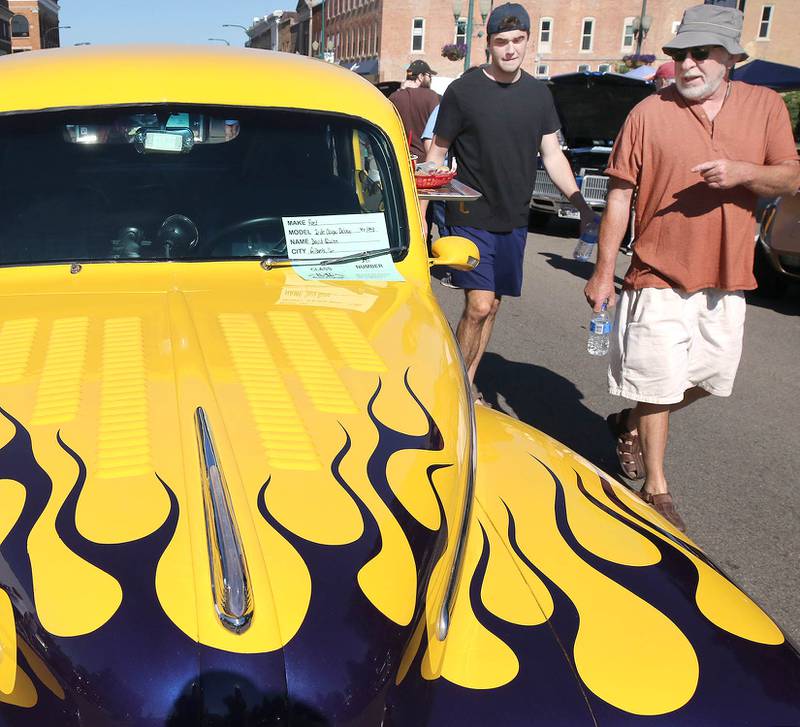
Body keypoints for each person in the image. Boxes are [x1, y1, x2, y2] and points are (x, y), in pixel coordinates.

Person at [584, 4, 800, 532]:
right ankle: (657, 488)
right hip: (657, 272)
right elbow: (619, 197)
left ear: (732, 59)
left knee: (710, 378)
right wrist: (602, 268)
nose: (689, 64)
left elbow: (790, 178)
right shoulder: (648, 114)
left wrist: (743, 172)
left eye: (701, 54)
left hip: (727, 277)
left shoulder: (764, 106)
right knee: (657, 382)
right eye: (681, 54)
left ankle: (629, 422)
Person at [422, 3, 594, 399]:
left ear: (528, 42)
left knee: (493, 306)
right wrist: (422, 214)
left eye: (518, 41)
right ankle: (456, 391)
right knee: (479, 305)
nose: (511, 49)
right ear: (489, 44)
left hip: (515, 219)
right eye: (502, 41)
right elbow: (437, 155)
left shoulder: (538, 95)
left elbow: (552, 155)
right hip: (469, 214)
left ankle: (468, 378)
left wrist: (580, 202)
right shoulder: (463, 92)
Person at [389, 60, 440, 160]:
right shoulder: (431, 96)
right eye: (429, 76)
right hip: (424, 162)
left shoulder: (394, 97)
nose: (430, 79)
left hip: (400, 160)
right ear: (421, 77)